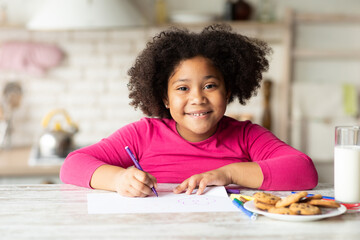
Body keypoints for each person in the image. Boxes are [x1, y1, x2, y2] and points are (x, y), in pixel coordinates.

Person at [60, 24, 318, 197]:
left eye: (210, 85)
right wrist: (118, 180)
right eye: (183, 88)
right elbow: (72, 165)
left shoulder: (247, 136)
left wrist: (228, 173)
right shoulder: (141, 135)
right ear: (165, 98)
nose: (197, 98)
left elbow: (304, 171)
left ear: (227, 91)